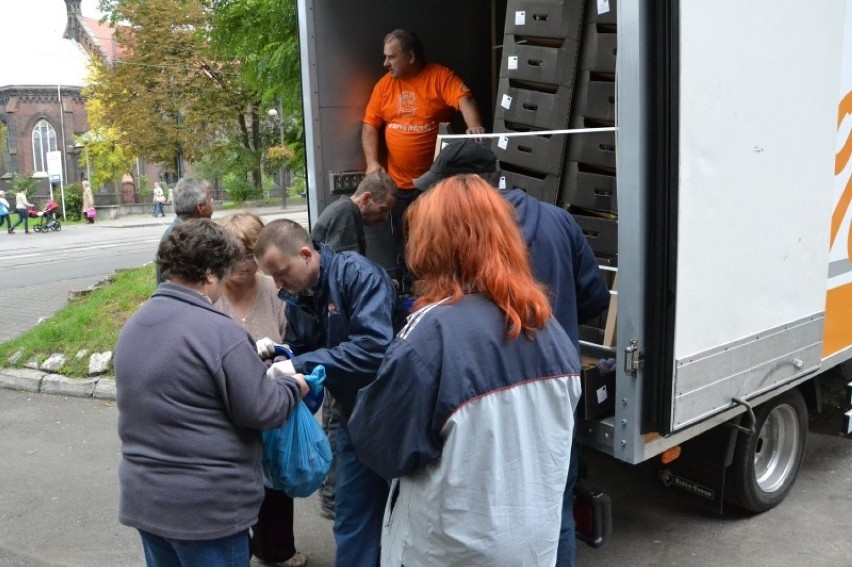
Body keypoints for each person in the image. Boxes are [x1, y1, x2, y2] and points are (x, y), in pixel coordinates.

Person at [349, 175, 582, 566]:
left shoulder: (431, 333)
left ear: (431, 243)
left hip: (447, 550)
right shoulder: (547, 326)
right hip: (532, 548)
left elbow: (382, 447)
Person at [413, 140, 610, 567]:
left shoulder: (458, 233)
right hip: (557, 385)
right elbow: (594, 296)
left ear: (462, 190)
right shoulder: (559, 220)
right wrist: (557, 323)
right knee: (554, 495)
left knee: (486, 509)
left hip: (482, 396)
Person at [114, 218, 309, 567]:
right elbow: (263, 410)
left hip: (145, 499)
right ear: (208, 274)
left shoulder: (134, 327)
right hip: (206, 510)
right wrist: (291, 386)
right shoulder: (221, 334)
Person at [254, 219, 395, 567]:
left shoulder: (358, 275)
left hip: (396, 415)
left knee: (409, 514)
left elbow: (374, 348)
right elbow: (304, 352)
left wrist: (300, 362)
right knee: (351, 516)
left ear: (305, 254)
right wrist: (281, 357)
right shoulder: (297, 295)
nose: (277, 284)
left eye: (281, 273)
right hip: (354, 415)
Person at [213, 213, 307, 567]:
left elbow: (297, 344)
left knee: (276, 484)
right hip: (226, 406)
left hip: (271, 401)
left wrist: (282, 357)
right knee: (235, 482)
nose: (245, 264)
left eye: (251, 254)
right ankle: (241, 545)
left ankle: (278, 549)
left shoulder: (276, 289)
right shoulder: (212, 295)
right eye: (236, 255)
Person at [362, 29, 486, 282]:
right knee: (404, 244)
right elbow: (369, 126)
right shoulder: (384, 85)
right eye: (385, 57)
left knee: (439, 239)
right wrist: (372, 162)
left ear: (410, 57)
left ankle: (445, 287)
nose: (385, 63)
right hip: (399, 186)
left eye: (391, 57)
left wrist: (474, 127)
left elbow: (465, 100)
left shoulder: (439, 77)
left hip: (435, 184)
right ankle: (409, 290)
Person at [309, 170, 397, 520]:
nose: (384, 218)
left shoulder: (339, 211)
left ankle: (333, 493)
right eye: (384, 209)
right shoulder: (346, 215)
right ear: (366, 199)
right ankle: (333, 496)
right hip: (339, 342)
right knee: (336, 418)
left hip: (333, 339)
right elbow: (345, 281)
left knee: (334, 418)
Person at [312, 171, 398, 255]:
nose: (386, 217)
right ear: (366, 198)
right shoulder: (346, 212)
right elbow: (347, 267)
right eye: (383, 209)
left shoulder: (345, 209)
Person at [155, 177, 214, 285]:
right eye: (210, 200)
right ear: (200, 207)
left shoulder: (175, 234)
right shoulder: (189, 240)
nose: (212, 206)